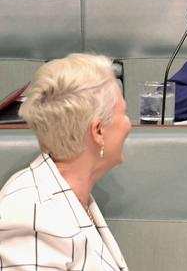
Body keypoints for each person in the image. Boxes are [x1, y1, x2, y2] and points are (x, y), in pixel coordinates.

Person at [0, 53, 131, 270]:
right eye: (124, 113)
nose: (128, 124)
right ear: (98, 131)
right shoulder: (32, 213)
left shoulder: (69, 196)